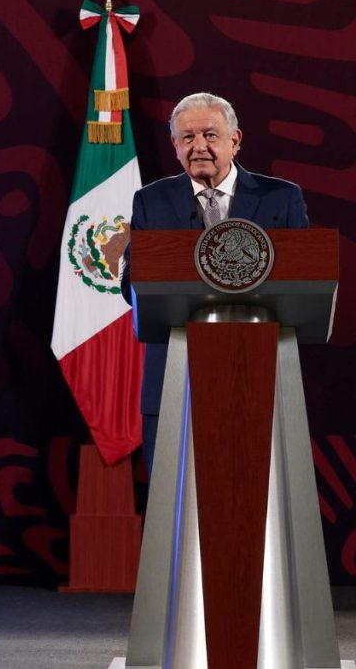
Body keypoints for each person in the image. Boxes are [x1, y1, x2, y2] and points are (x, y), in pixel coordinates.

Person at [121, 92, 309, 473]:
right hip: (175, 378)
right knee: (174, 495)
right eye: (187, 138)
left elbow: (306, 278)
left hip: (258, 373)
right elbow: (132, 286)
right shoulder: (151, 201)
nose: (199, 146)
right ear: (175, 146)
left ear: (235, 140)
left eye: (210, 135)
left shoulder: (281, 199)